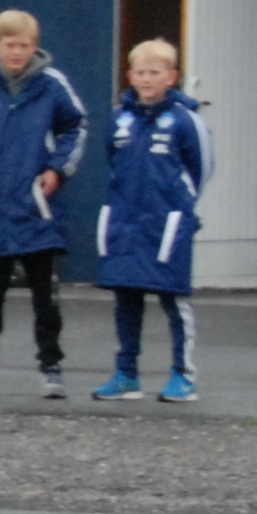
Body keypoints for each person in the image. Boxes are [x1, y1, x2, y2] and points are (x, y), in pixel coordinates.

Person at [0, 9, 90, 400]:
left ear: (35, 47)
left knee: (46, 299)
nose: (17, 53)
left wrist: (57, 170)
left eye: (25, 46)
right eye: (10, 45)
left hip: (38, 212)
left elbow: (76, 127)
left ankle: (52, 369)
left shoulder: (53, 85)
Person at [91, 38, 209, 403]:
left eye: (154, 72)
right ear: (130, 76)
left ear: (171, 77)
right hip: (125, 223)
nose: (146, 79)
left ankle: (183, 375)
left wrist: (180, 206)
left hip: (166, 226)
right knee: (126, 299)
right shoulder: (119, 118)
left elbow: (202, 168)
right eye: (140, 72)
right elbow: (113, 158)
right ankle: (126, 374)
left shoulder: (185, 121)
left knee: (174, 300)